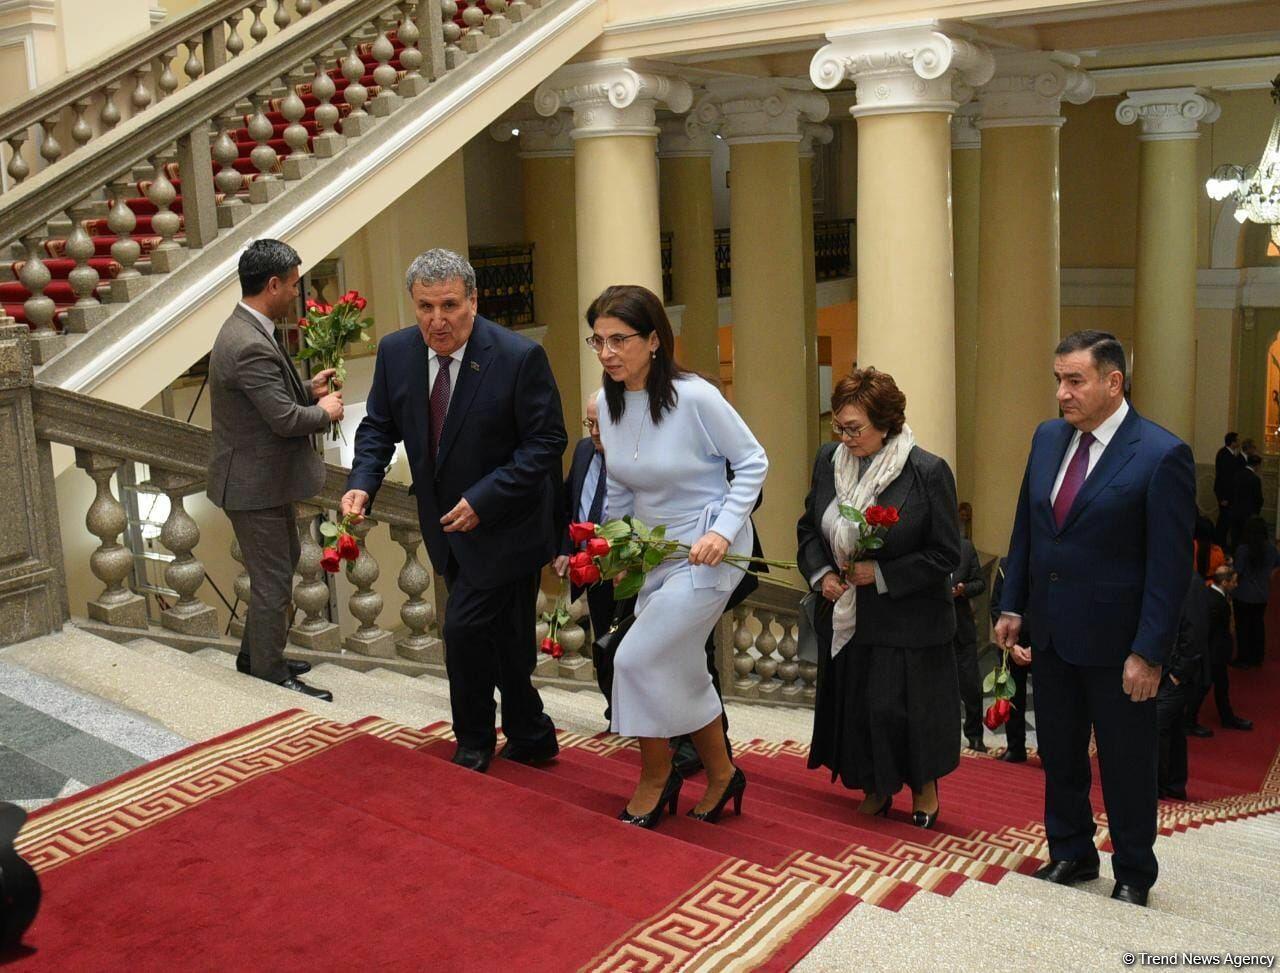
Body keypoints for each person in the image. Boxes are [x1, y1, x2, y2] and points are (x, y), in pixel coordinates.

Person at [342, 249, 566, 773]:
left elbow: (545, 442)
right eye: (425, 307)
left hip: (507, 526)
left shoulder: (518, 357)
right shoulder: (396, 352)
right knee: (507, 642)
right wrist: (362, 483)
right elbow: (378, 427)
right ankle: (532, 733)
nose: (437, 321)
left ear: (473, 301)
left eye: (449, 306)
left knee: (462, 631)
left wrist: (484, 499)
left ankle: (472, 743)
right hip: (445, 527)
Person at [996, 330, 1195, 908]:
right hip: (1052, 632)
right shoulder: (1047, 438)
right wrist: (1012, 604)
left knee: (1127, 763)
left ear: (1114, 381)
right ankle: (1072, 851)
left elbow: (1169, 569)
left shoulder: (1161, 455)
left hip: (1120, 645)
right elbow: (1028, 527)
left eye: (1074, 380)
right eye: (1058, 379)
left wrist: (1149, 652)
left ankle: (1133, 870)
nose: (1062, 392)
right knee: (1059, 752)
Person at [588, 284, 766, 829]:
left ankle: (656, 774)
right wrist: (614, 545)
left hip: (709, 552)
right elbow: (621, 485)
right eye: (598, 341)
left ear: (654, 341)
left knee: (633, 658)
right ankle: (722, 772)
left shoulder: (696, 397)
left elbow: (753, 462)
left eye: (619, 340)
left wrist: (723, 532)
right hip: (653, 552)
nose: (607, 352)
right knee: (683, 664)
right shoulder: (607, 403)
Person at [799, 367, 962, 829]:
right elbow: (809, 527)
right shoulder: (829, 461)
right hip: (850, 617)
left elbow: (946, 553)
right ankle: (874, 785)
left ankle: (925, 788)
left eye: (855, 429)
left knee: (902, 710)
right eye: (839, 426)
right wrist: (822, 574)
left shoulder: (927, 471)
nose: (845, 438)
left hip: (909, 622)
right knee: (860, 708)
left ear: (886, 422)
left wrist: (882, 574)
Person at [207, 239, 342, 701]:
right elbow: (284, 420)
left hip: (263, 481)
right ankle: (269, 670)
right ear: (272, 285)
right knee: (273, 579)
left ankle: (256, 654)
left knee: (281, 565)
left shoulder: (248, 327)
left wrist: (308, 388)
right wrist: (324, 411)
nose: (296, 292)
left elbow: (268, 395)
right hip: (254, 485)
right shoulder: (248, 342)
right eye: (293, 284)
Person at [556, 391, 623, 716]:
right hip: (592, 572)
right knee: (603, 645)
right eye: (590, 423)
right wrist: (563, 549)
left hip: (627, 571)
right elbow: (569, 504)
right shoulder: (583, 450)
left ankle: (635, 714)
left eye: (601, 424)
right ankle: (615, 711)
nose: (594, 432)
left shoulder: (636, 456)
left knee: (626, 647)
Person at [1158, 573, 1207, 800]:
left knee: (1157, 726)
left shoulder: (1191, 582)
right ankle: (1174, 786)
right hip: (1166, 671)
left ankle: (1158, 787)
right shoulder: (1168, 576)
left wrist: (1178, 674)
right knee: (1174, 728)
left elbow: (1195, 632)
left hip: (1177, 673)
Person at [1191, 566, 1253, 731]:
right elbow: (1209, 630)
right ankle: (1190, 721)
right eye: (1234, 581)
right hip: (1214, 653)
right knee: (1204, 687)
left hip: (1216, 652)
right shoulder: (1216, 602)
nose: (1236, 584)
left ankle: (1226, 718)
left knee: (1219, 687)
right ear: (1224, 582)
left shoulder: (1213, 595)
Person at [989, 557, 1032, 763]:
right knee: (1011, 698)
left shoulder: (1049, 564)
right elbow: (996, 607)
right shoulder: (1006, 566)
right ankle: (1015, 748)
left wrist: (1036, 648)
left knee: (1047, 702)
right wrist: (1011, 646)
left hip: (1043, 646)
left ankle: (1048, 751)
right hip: (1009, 645)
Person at [951, 525, 987, 752]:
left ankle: (975, 735)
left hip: (962, 629)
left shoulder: (965, 548)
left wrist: (963, 589)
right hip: (933, 629)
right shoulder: (927, 547)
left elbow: (980, 583)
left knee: (971, 686)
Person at [1232, 516, 1277, 672]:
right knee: (1258, 625)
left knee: (1242, 627)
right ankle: (1257, 657)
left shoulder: (1243, 550)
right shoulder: (1271, 549)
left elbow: (1238, 571)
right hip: (1261, 594)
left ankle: (1244, 658)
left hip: (1243, 594)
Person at [1228, 453, 1264, 552]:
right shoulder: (1255, 479)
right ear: (1257, 465)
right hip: (1248, 514)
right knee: (1245, 540)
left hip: (1235, 511)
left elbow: (1231, 492)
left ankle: (1234, 557)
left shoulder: (1237, 475)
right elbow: (1258, 499)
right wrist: (1256, 513)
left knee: (1235, 538)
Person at [1213, 432, 1244, 544]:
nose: (1239, 442)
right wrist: (1224, 497)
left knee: (1225, 519)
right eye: (1237, 440)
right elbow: (1224, 477)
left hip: (1226, 493)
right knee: (1224, 520)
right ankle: (1219, 542)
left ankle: (1220, 541)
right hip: (1225, 494)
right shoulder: (1225, 455)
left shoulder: (1226, 454)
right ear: (1232, 442)